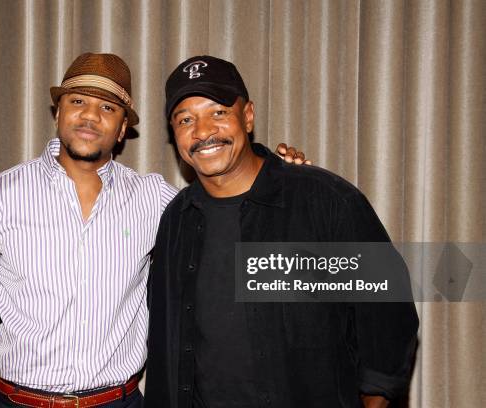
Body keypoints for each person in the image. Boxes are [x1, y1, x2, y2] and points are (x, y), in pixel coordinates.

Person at [0, 52, 307, 408]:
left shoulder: (155, 198)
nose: (90, 117)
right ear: (58, 111)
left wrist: (276, 177)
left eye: (107, 107)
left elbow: (227, 217)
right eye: (78, 102)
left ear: (123, 127)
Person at [144, 55, 419, 408]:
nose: (202, 131)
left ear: (247, 116)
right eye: (185, 120)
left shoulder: (325, 202)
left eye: (218, 112)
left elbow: (388, 316)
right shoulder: (176, 220)